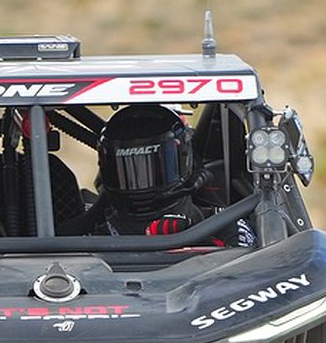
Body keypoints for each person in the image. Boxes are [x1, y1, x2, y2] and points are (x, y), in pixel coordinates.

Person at [94, 104, 255, 246]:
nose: (141, 182)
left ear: (185, 161)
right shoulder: (95, 236)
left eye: (156, 167)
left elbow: (252, 264)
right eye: (129, 169)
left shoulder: (222, 223)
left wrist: (194, 235)